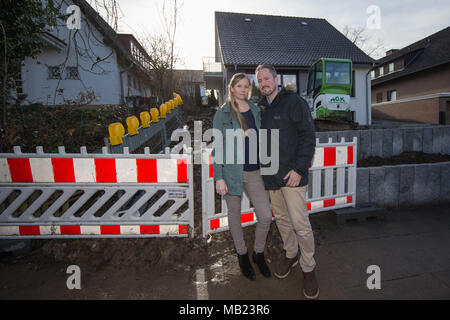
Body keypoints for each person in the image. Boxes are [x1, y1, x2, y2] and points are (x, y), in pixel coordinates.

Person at [256, 64, 319, 299]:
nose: (264, 83)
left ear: (276, 79)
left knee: (301, 224)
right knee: (282, 220)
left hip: (292, 177)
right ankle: (291, 253)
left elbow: (308, 136)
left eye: (267, 78)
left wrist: (299, 169)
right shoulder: (261, 108)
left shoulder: (294, 102)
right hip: (271, 176)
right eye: (260, 80)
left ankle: (308, 267)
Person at [212, 73, 273, 281]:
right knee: (234, 216)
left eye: (247, 86)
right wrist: (218, 177)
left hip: (254, 171)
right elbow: (217, 147)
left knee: (265, 215)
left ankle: (258, 253)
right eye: (239, 86)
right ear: (231, 88)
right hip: (232, 172)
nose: (244, 90)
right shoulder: (223, 113)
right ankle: (242, 255)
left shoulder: (256, 110)